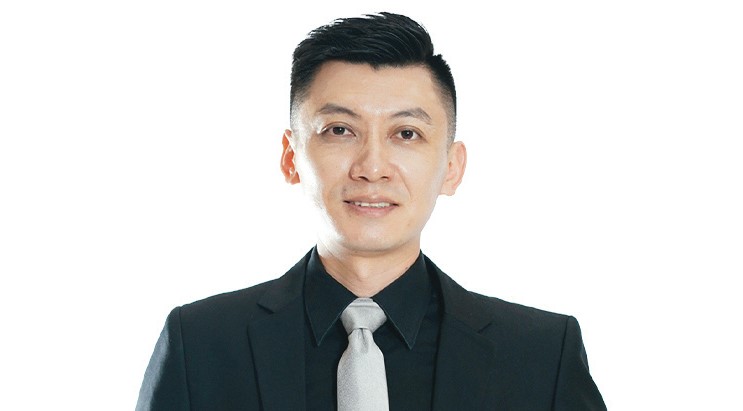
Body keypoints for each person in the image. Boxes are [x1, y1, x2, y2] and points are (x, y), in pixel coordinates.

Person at [136, 12, 606, 410]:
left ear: (452, 167)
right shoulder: (200, 345)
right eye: (339, 130)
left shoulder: (542, 355)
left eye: (406, 134)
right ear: (291, 157)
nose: (372, 168)